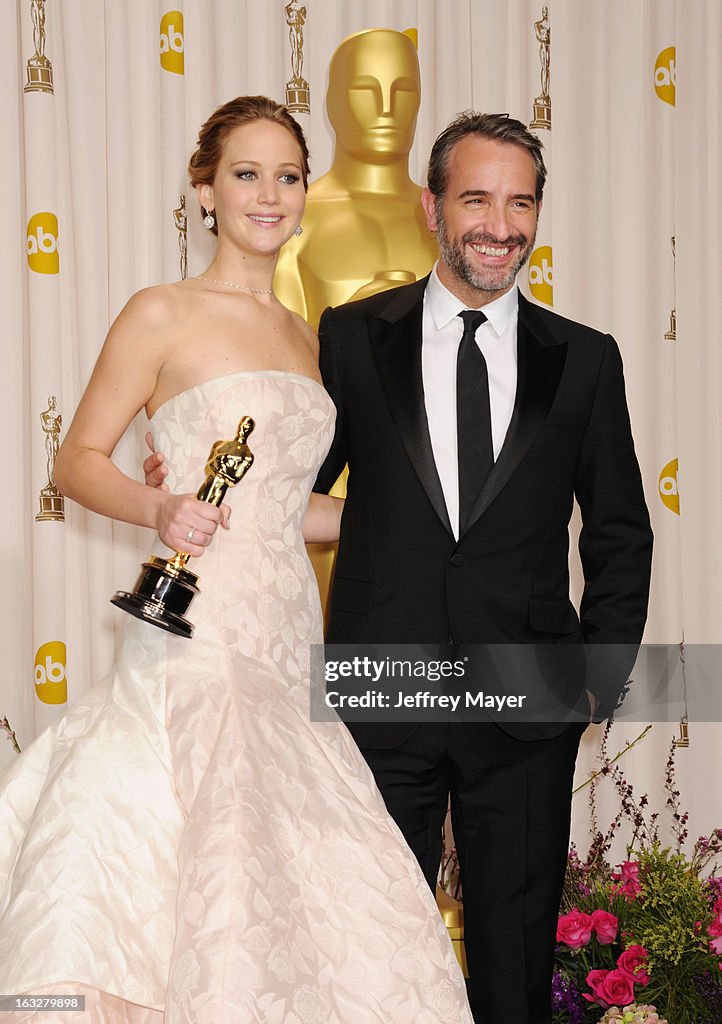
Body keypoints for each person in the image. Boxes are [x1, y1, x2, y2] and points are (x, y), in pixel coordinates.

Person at [0, 96, 474, 1024]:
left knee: (310, 875)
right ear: (206, 191)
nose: (270, 195)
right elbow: (75, 459)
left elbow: (285, 509)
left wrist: (426, 518)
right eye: (246, 174)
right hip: (197, 634)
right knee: (197, 858)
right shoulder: (161, 313)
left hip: (288, 629)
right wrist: (158, 505)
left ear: (306, 191)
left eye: (288, 176)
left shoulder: (315, 338)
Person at [310, 113, 654, 1022]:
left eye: (520, 201)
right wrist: (189, 487)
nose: (499, 224)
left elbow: (619, 529)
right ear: (431, 207)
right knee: (374, 952)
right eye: (476, 199)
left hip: (528, 695)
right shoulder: (350, 338)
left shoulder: (584, 357)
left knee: (513, 960)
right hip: (383, 684)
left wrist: (599, 680)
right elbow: (290, 490)